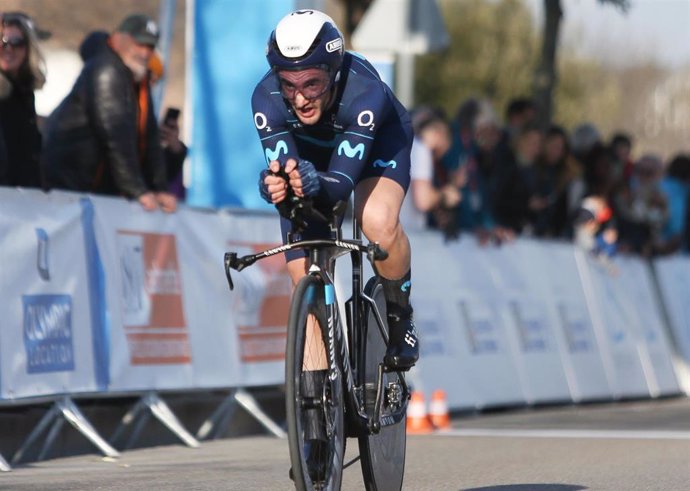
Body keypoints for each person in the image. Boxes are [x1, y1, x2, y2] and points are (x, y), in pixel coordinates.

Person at [252, 10, 418, 375]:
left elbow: (341, 186)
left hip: (378, 146)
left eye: (312, 83)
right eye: (288, 84)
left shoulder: (365, 93)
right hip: (312, 156)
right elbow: (286, 171)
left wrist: (311, 180)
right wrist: (275, 185)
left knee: (376, 222)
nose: (300, 99)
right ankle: (316, 404)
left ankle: (400, 316)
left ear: (334, 70)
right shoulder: (265, 99)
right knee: (304, 274)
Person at [41, 14, 176, 212]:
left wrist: (158, 187)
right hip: (72, 188)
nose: (145, 53)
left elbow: (150, 137)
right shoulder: (107, 71)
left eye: (150, 47)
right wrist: (137, 190)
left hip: (93, 191)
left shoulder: (136, 77)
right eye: (140, 44)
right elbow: (116, 136)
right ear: (119, 38)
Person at [0, 11, 46, 189]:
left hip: (21, 200)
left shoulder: (24, 90)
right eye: (3, 42)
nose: (8, 49)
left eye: (17, 43)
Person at [400, 106, 461, 234]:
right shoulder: (421, 149)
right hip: (407, 232)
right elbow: (422, 200)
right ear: (441, 132)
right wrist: (445, 195)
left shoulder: (405, 145)